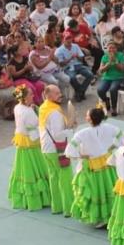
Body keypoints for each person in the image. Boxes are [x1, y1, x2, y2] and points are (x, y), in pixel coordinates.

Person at [65, 106, 122, 228]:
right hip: (107, 163)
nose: (85, 117)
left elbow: (69, 150)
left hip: (92, 166)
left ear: (90, 120)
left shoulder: (82, 133)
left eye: (87, 115)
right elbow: (122, 136)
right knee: (108, 187)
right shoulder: (109, 128)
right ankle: (112, 213)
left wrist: (80, 155)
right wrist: (113, 146)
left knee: (96, 191)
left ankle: (100, 217)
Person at [8, 85, 51, 211]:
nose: (33, 95)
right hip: (31, 141)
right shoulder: (29, 112)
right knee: (36, 166)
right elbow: (39, 124)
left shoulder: (17, 107)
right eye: (31, 94)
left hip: (21, 139)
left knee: (22, 167)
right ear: (25, 98)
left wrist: (32, 108)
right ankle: (39, 196)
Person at [39, 85, 75, 216]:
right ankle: (69, 208)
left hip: (46, 148)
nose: (60, 94)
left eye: (59, 92)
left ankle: (57, 206)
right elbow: (58, 135)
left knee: (54, 177)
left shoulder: (44, 107)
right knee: (65, 177)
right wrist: (70, 128)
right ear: (48, 95)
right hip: (56, 149)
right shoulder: (54, 113)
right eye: (57, 93)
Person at [55, 33, 93, 102]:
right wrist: (69, 58)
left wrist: (77, 56)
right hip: (68, 67)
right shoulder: (59, 50)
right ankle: (80, 93)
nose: (69, 42)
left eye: (70, 39)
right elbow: (61, 64)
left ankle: (79, 92)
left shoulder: (75, 46)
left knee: (90, 75)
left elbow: (81, 58)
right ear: (63, 40)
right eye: (67, 40)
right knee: (72, 77)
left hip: (78, 65)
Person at [96, 42, 124, 117]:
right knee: (100, 90)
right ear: (107, 49)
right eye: (110, 48)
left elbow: (122, 69)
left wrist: (115, 62)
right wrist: (108, 63)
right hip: (107, 78)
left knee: (113, 89)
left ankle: (114, 108)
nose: (111, 49)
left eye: (113, 48)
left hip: (119, 77)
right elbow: (101, 70)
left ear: (116, 49)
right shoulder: (105, 56)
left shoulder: (120, 55)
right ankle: (106, 100)